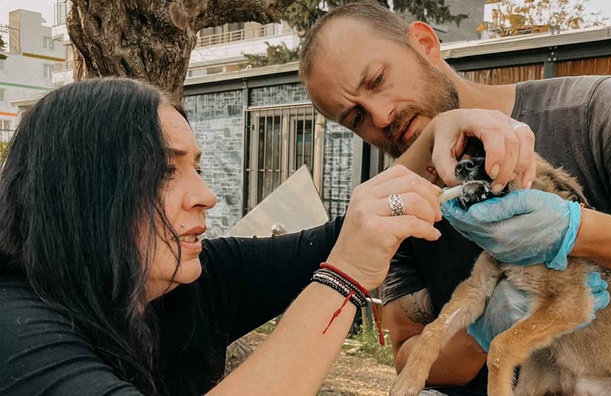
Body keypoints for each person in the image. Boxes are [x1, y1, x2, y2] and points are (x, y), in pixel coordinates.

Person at [299, 2, 611, 395]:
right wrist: (485, 330)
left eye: (377, 80)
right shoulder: (400, 197)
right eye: (355, 118)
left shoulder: (592, 111)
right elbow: (408, 357)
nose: (381, 116)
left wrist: (576, 231)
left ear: (424, 44)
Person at [0, 77, 445, 395]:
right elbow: (344, 254)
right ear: (81, 191)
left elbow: (349, 232)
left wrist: (444, 135)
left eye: (197, 167)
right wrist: (343, 279)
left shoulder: (193, 281)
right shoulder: (14, 328)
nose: (206, 196)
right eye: (162, 170)